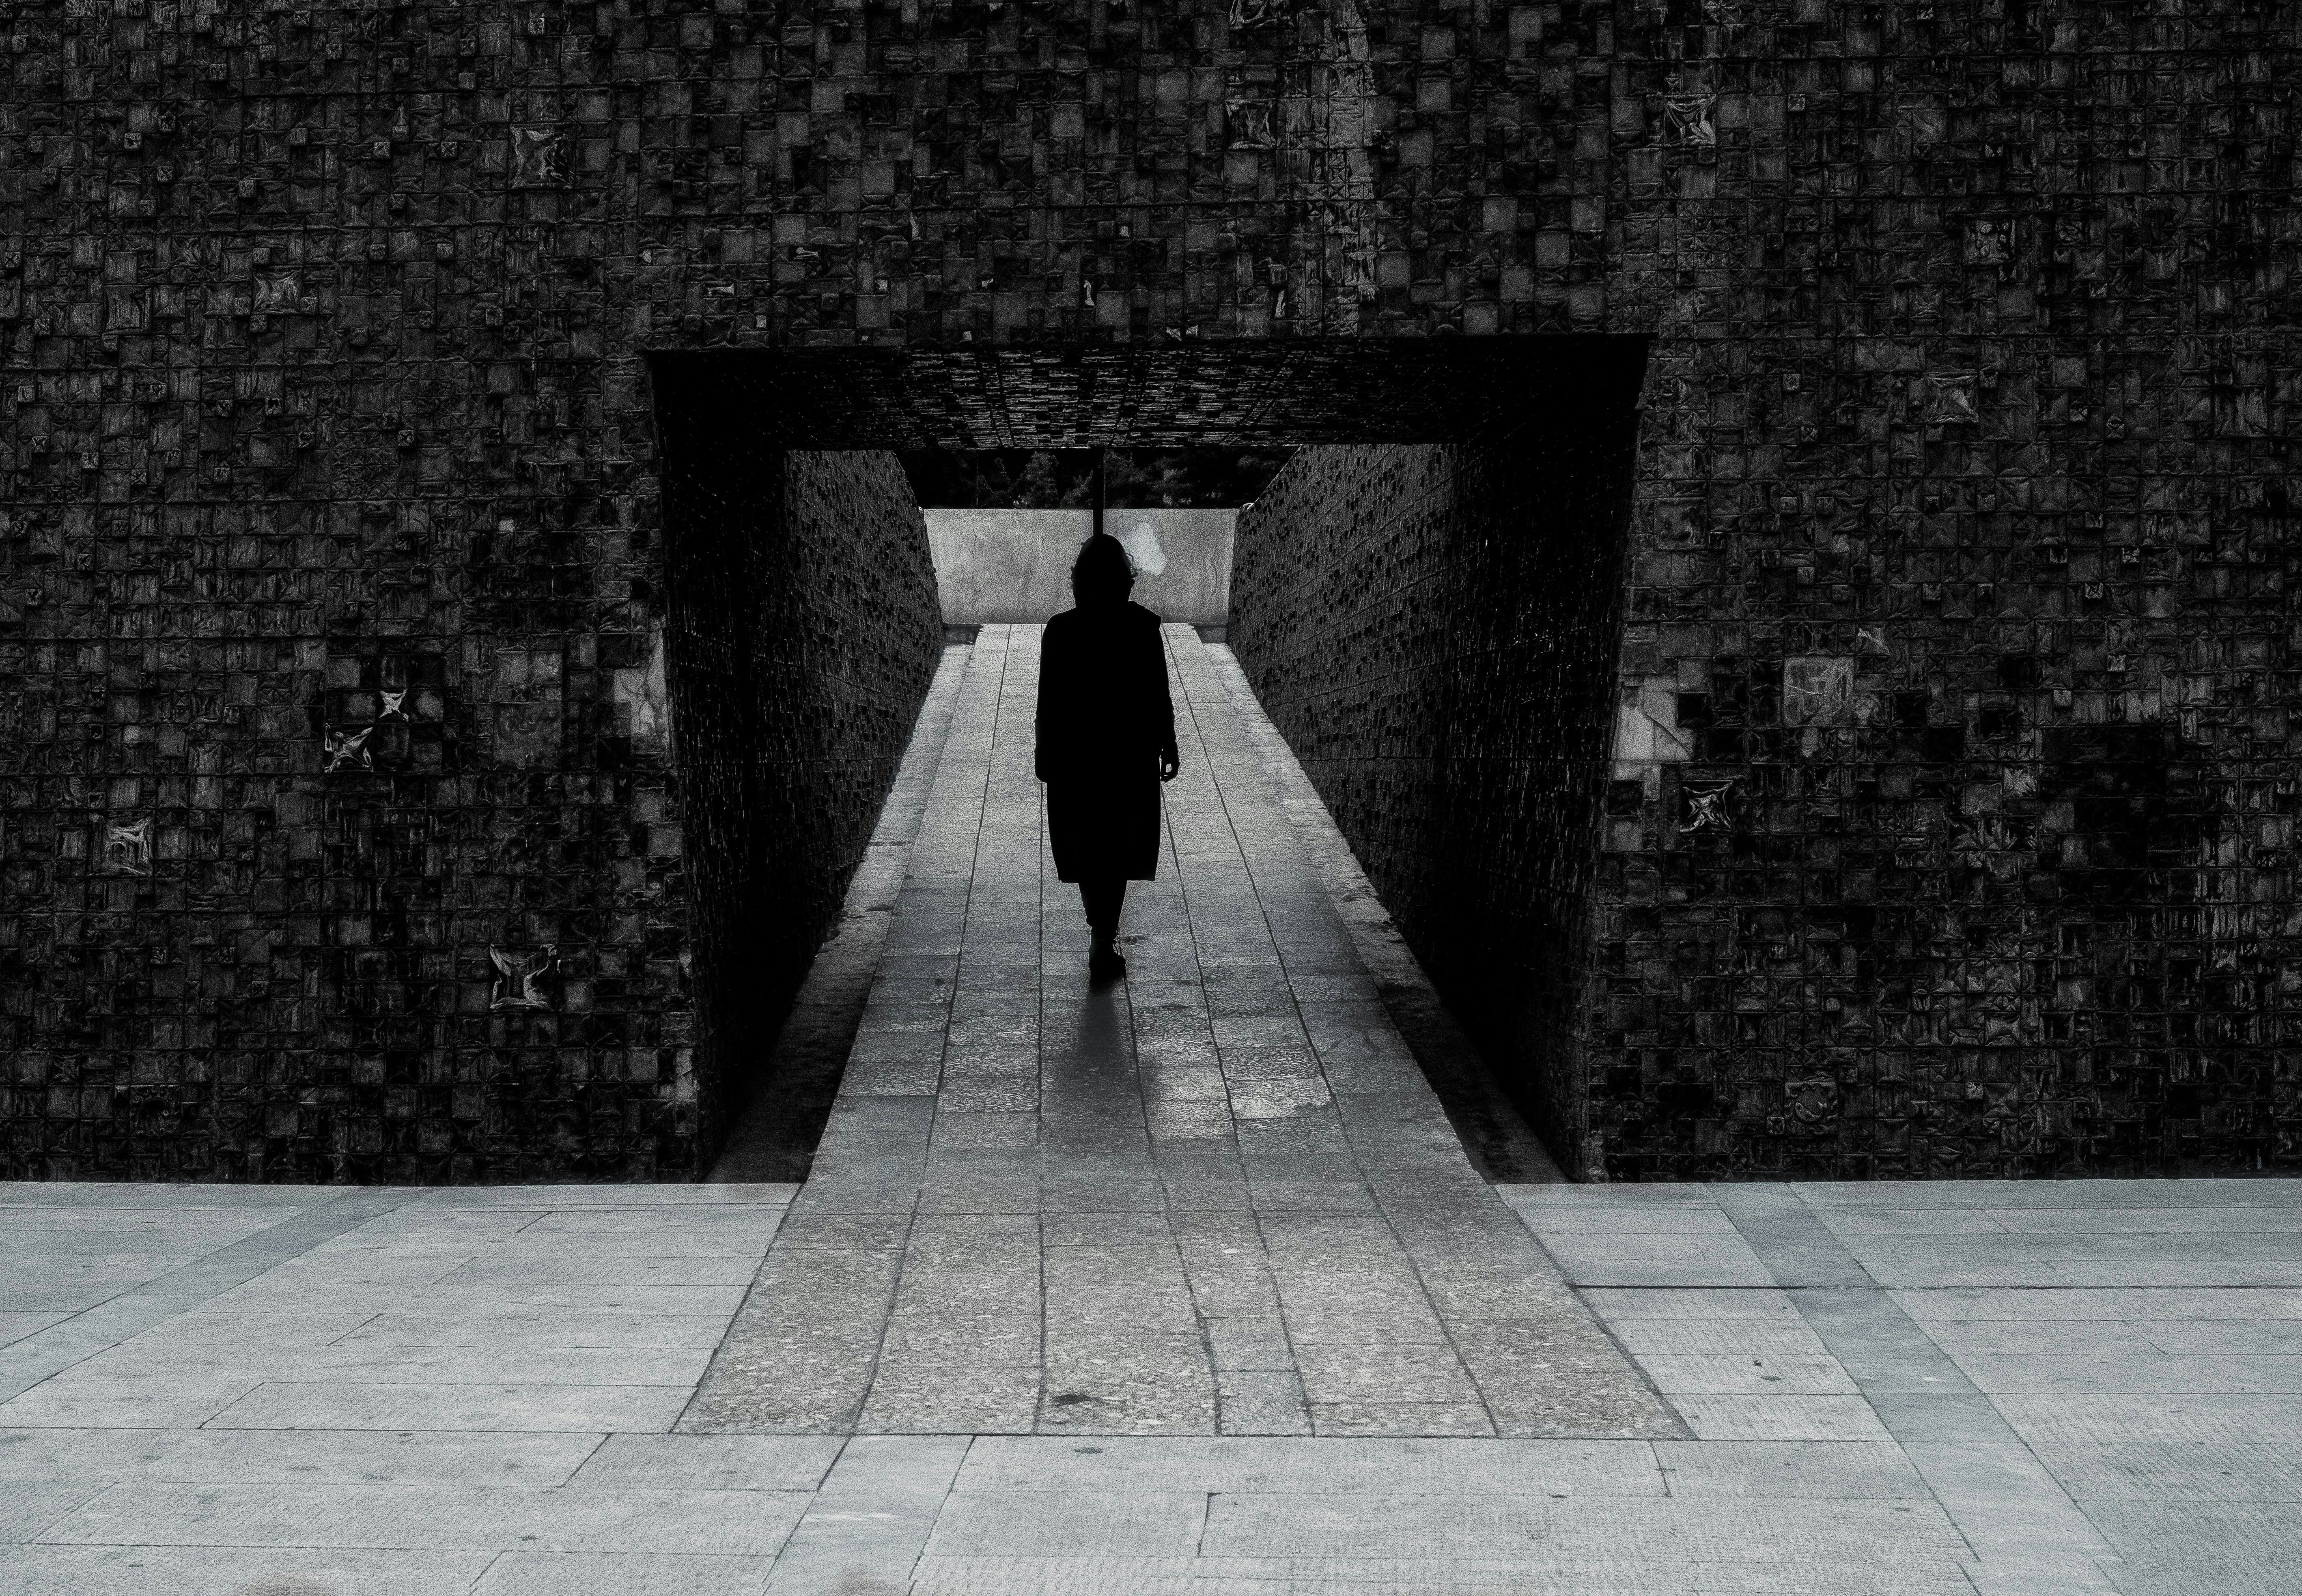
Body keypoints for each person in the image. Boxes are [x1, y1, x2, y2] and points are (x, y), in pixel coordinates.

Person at [1035, 531, 1181, 982]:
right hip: (1127, 755)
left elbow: (1049, 701)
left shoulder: (1061, 631)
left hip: (1076, 758)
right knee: (1116, 846)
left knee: (1086, 844)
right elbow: (1158, 692)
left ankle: (1099, 931)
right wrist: (1168, 740)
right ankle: (1104, 935)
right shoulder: (1141, 627)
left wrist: (1045, 752)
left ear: (1079, 581)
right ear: (1124, 580)